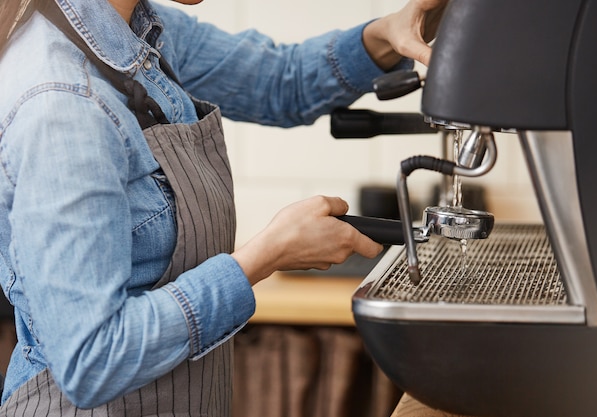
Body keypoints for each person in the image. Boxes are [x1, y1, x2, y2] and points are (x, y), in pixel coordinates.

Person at [0, 0, 447, 414]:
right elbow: (92, 359)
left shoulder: (141, 28)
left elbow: (278, 80)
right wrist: (264, 257)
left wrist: (386, 35)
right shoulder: (62, 104)